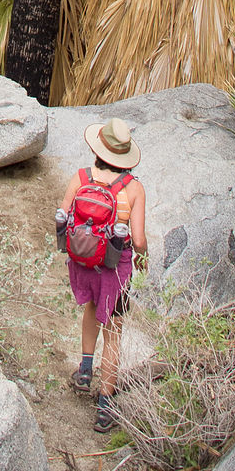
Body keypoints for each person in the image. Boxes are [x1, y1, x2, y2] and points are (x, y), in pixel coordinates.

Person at [59, 117, 147, 433]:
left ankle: (84, 370)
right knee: (114, 329)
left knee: (91, 308)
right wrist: (144, 255)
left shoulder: (80, 178)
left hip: (83, 263)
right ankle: (105, 407)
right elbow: (137, 240)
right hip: (114, 267)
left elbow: (63, 216)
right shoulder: (133, 188)